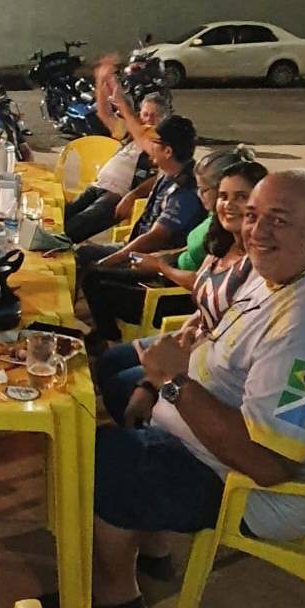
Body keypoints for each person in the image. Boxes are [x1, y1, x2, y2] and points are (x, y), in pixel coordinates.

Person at [85, 169, 305, 608]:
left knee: (101, 458)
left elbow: (268, 464)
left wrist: (172, 383)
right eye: (253, 215)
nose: (257, 231)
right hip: (212, 431)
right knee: (124, 391)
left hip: (259, 492)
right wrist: (152, 385)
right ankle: (152, 542)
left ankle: (117, 598)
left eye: (279, 220)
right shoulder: (283, 268)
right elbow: (214, 332)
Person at [96, 158, 268, 426]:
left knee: (121, 384)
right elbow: (203, 307)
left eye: (241, 197)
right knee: (109, 360)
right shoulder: (221, 244)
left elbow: (223, 329)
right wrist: (183, 334)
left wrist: (154, 379)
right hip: (192, 333)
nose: (228, 204)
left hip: (210, 355)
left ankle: (147, 433)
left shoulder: (259, 263)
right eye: (224, 196)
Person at [78, 114, 206, 343]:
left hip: (151, 260)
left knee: (93, 276)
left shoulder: (185, 192)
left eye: (154, 142)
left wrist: (114, 258)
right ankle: (93, 320)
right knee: (82, 254)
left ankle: (108, 338)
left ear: (168, 151)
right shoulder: (173, 169)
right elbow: (156, 179)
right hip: (139, 249)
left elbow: (156, 237)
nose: (148, 146)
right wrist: (133, 194)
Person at [64, 56, 168, 243]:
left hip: (117, 194)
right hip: (98, 185)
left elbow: (161, 175)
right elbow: (105, 114)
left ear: (164, 117)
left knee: (74, 227)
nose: (149, 119)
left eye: (155, 115)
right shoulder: (133, 131)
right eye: (145, 114)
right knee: (59, 217)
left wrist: (132, 196)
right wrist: (101, 82)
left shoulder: (163, 141)